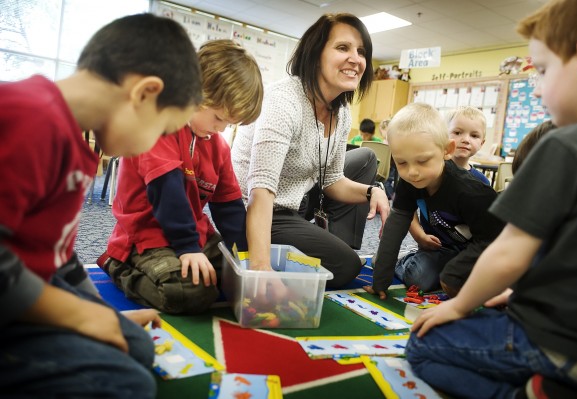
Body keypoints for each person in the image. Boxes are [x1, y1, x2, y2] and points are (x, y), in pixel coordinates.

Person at [407, 1, 577, 398]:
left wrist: (456, 306)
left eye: (541, 71)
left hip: (559, 345)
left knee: (422, 345)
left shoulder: (563, 146)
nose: (536, 88)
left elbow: (508, 253)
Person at [0, 13, 203, 398]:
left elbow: (58, 257)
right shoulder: (30, 117)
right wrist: (78, 315)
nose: (155, 143)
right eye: (162, 130)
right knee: (125, 383)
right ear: (144, 93)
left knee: (135, 345)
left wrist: (102, 315)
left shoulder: (74, 140)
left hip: (30, 281)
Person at [98, 40, 263, 315]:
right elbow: (168, 191)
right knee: (191, 292)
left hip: (194, 236)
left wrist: (247, 261)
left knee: (237, 278)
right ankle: (118, 265)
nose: (220, 129)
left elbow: (229, 208)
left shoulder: (217, 145)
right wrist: (188, 248)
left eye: (229, 124)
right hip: (145, 239)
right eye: (219, 118)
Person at [231, 13, 390, 288]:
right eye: (343, 48)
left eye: (361, 51)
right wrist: (260, 267)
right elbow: (261, 190)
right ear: (316, 54)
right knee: (344, 266)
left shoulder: (340, 111)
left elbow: (332, 181)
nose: (356, 59)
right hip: (258, 209)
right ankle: (250, 257)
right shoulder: (283, 101)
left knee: (364, 159)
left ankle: (332, 242)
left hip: (296, 200)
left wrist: (372, 190)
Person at [363, 103, 504, 299]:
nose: (412, 172)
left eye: (422, 161)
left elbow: (495, 242)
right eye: (402, 162)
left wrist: (456, 271)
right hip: (440, 250)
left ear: (447, 150)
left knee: (462, 281)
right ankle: (410, 262)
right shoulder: (409, 181)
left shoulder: (473, 192)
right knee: (416, 277)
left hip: (483, 251)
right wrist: (380, 281)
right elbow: (395, 227)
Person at [408, 106, 490, 250]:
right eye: (457, 132)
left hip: (464, 251)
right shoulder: (429, 172)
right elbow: (406, 207)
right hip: (431, 249)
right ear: (443, 135)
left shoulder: (481, 182)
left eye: (474, 136)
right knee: (425, 272)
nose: (465, 139)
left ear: (482, 143)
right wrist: (419, 236)